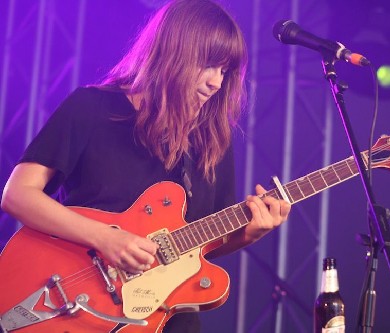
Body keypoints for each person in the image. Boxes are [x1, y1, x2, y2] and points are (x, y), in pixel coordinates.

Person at [0, 0, 291, 332]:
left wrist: (251, 233)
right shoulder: (92, 108)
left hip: (168, 318)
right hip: (76, 301)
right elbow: (18, 195)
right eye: (209, 65)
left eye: (224, 71)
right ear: (174, 51)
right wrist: (104, 238)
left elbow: (203, 243)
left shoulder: (211, 142)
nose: (216, 83)